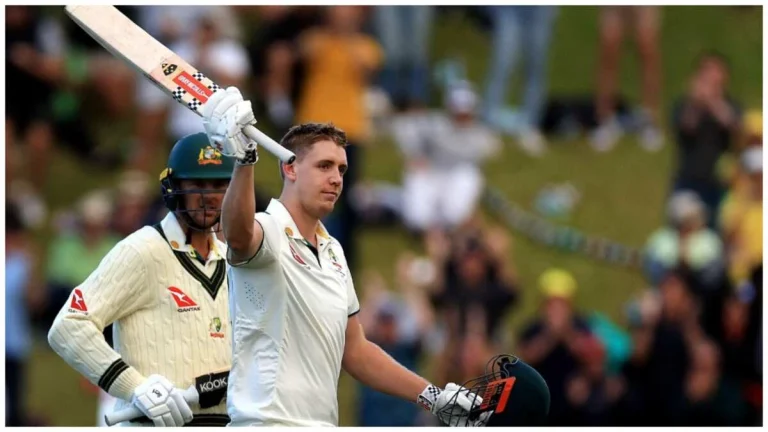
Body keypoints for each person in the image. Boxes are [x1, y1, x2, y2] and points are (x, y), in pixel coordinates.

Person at [202, 87, 486, 426]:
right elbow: (237, 234)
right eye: (324, 166)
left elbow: (356, 351)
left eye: (341, 169)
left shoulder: (333, 249)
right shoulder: (268, 228)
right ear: (290, 169)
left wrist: (433, 396)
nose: (336, 178)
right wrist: (244, 161)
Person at [47, 133, 235, 427]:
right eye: (196, 183)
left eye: (218, 185)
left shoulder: (231, 260)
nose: (208, 195)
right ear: (174, 188)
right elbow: (69, 326)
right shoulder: (143, 250)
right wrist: (135, 387)